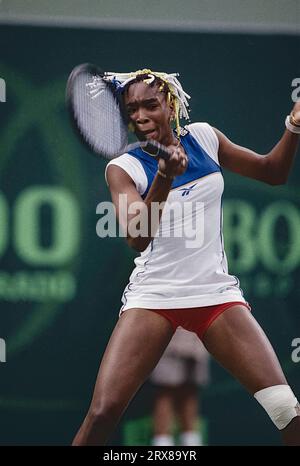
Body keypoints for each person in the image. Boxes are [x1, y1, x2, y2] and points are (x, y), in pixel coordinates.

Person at [72, 68, 300, 446]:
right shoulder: (123, 168)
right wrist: (163, 176)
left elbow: (273, 172)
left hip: (215, 295)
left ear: (172, 105)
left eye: (151, 105)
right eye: (132, 110)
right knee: (103, 413)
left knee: (285, 408)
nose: (141, 117)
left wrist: (293, 125)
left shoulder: (206, 138)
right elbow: (136, 237)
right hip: (154, 297)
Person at [150, 327, 209, 446]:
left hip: (196, 341)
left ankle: (191, 443)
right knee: (165, 394)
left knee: (190, 394)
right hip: (167, 339)